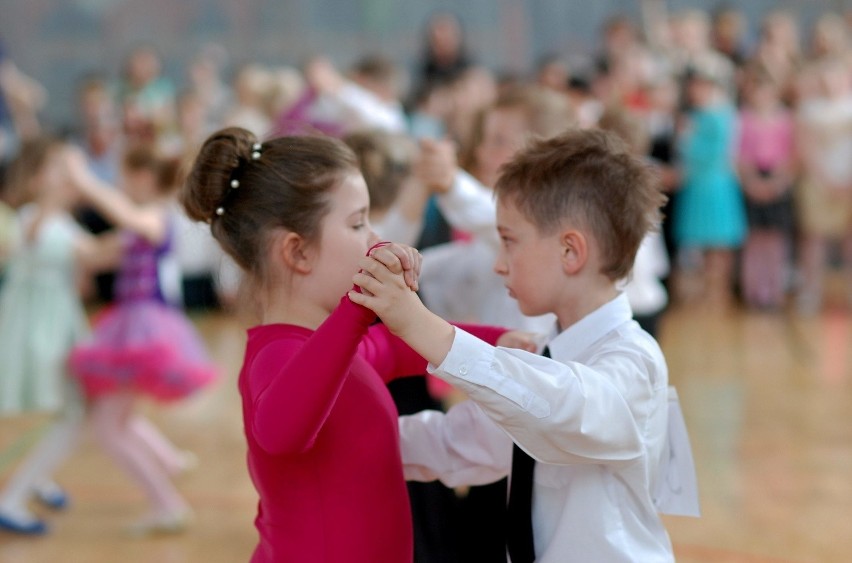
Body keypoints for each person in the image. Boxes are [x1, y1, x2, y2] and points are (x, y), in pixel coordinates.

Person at [179, 127, 526, 562]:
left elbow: (402, 344)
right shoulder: (278, 355)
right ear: (297, 252)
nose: (374, 237)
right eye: (358, 223)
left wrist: (502, 342)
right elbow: (281, 431)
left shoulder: (341, 349)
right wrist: (357, 306)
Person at [351, 129, 699, 562]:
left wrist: (421, 327)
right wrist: (351, 443)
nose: (499, 263)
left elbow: (559, 404)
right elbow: (466, 441)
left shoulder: (634, 361)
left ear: (571, 252)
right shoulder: (546, 352)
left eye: (509, 242)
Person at [64, 144, 216, 535]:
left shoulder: (155, 216)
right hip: (134, 326)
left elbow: (128, 219)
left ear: (143, 179)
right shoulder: (140, 224)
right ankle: (167, 465)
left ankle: (166, 504)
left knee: (107, 426)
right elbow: (96, 255)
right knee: (121, 418)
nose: (117, 183)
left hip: (143, 328)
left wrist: (85, 182)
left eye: (122, 176)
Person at [0, 137, 120, 534]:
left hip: (59, 325)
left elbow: (94, 254)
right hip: (38, 331)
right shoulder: (31, 216)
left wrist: (140, 228)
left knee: (70, 410)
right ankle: (13, 500)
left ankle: (36, 478)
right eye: (56, 168)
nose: (67, 175)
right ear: (37, 178)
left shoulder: (60, 220)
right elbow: (35, 236)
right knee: (72, 414)